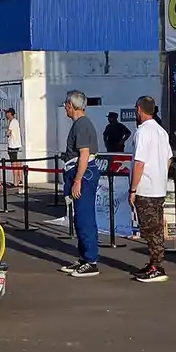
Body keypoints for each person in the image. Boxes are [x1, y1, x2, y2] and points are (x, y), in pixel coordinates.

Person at [128, 96, 173, 284]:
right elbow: (169, 158)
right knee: (154, 227)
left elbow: (139, 162)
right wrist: (160, 173)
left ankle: (157, 266)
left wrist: (133, 189)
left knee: (150, 229)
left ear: (139, 109)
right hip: (158, 187)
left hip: (146, 188)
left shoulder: (142, 132)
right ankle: (154, 262)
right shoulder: (161, 132)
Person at [58, 90, 102, 278]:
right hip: (79, 172)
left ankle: (91, 260)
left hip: (84, 174)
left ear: (72, 105)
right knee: (78, 218)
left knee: (85, 218)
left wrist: (77, 181)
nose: (65, 108)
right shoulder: (79, 124)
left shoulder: (82, 125)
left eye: (66, 104)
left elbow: (84, 154)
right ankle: (84, 257)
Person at [4, 108, 23, 188]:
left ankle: (15, 182)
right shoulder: (16, 121)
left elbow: (8, 133)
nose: (6, 115)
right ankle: (20, 180)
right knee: (18, 163)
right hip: (17, 145)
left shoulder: (12, 122)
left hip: (12, 146)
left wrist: (6, 133)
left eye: (7, 113)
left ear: (10, 113)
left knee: (14, 164)